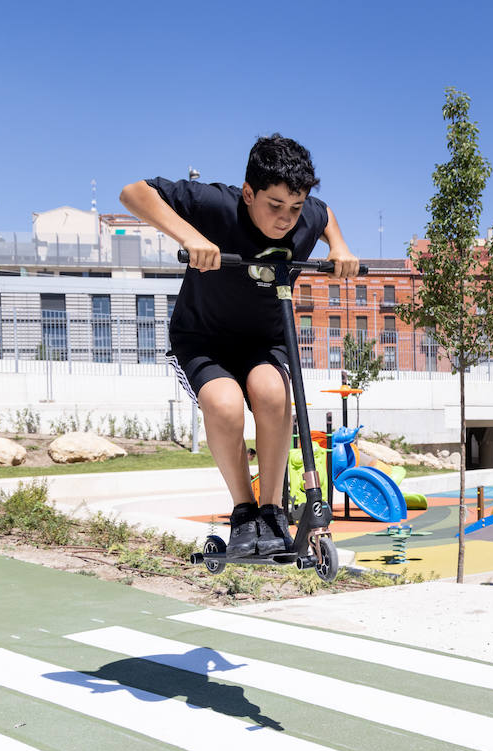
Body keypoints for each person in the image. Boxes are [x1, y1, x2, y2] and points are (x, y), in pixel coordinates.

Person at [120, 136, 358, 558]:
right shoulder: (215, 205)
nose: (286, 219)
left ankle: (271, 512)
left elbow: (325, 217)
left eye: (295, 207)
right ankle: (243, 513)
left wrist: (338, 247)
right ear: (249, 193)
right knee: (226, 404)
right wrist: (191, 237)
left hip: (264, 340)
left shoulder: (306, 216)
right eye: (274, 205)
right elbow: (134, 192)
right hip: (202, 340)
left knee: (272, 393)